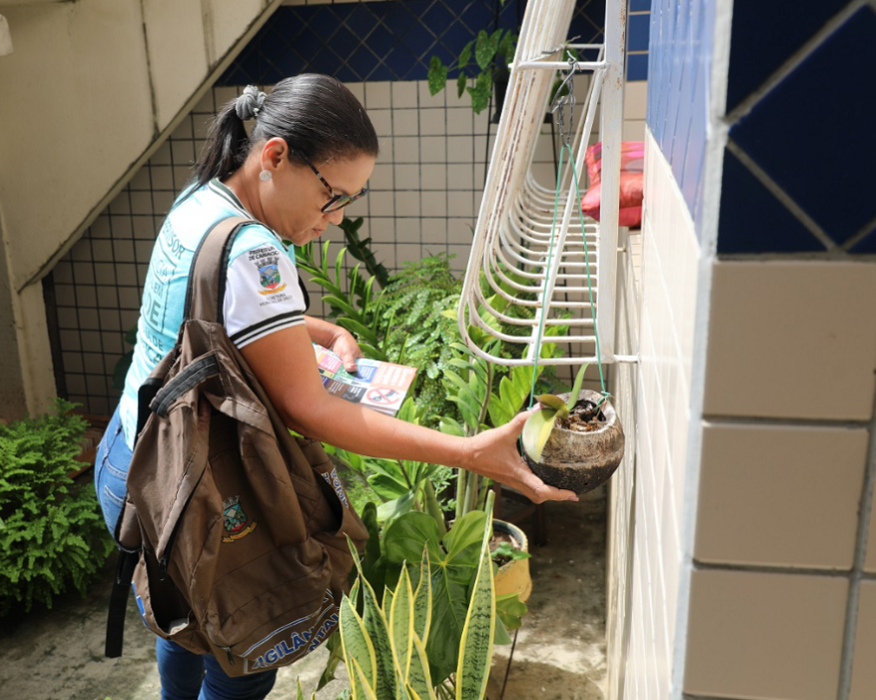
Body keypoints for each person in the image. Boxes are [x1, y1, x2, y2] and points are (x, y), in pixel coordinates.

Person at [94, 73, 578, 700]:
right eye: (332, 195)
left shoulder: (202, 200)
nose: (338, 217)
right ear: (275, 157)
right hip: (203, 492)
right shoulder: (257, 254)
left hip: (133, 463)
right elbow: (311, 409)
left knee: (185, 612)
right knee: (248, 650)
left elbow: (208, 312)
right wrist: (468, 452)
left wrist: (318, 330)